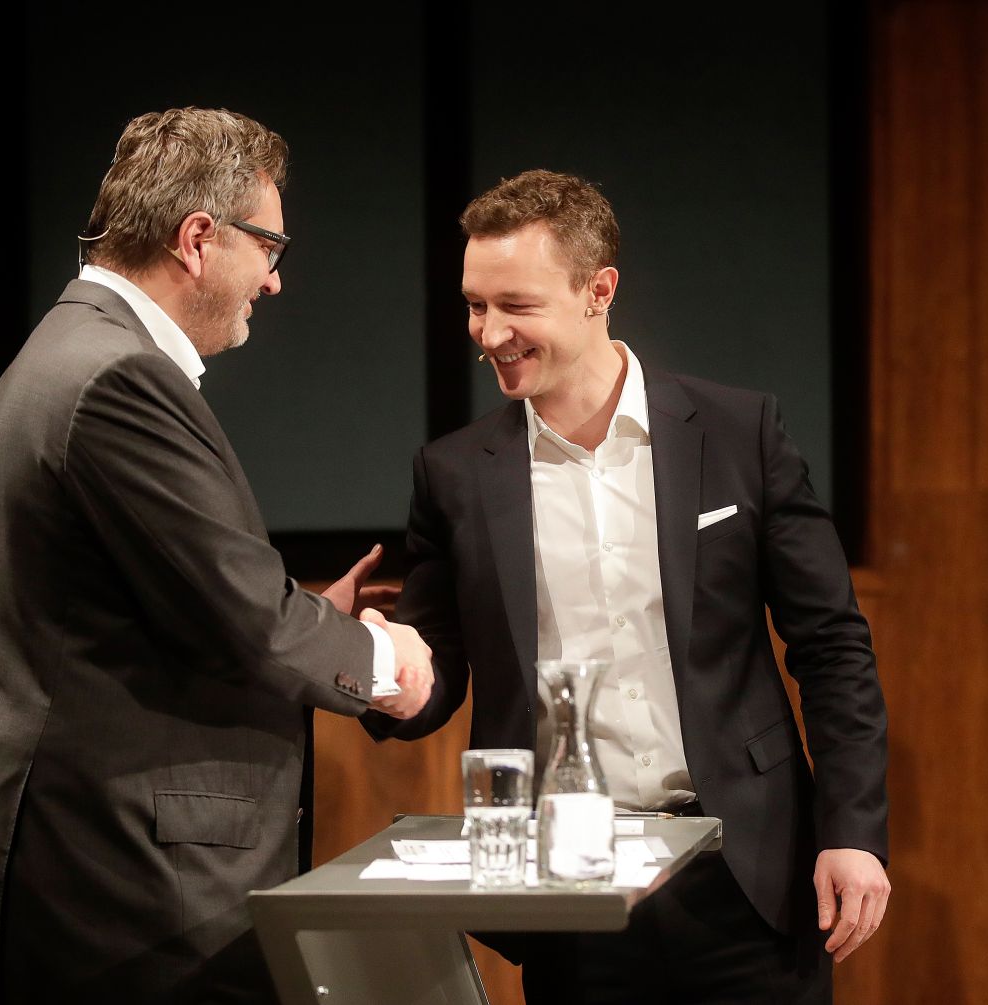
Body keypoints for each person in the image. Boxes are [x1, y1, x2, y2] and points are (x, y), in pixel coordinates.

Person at [0, 107, 433, 1004]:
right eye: (271, 249)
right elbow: (248, 617)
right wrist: (383, 660)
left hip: (69, 861)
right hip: (100, 875)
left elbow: (157, 596)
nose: (273, 281)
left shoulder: (68, 350)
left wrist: (308, 618)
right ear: (198, 238)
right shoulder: (119, 378)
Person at [367, 169, 889, 1002]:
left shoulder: (737, 431)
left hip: (746, 871)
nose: (488, 331)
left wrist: (853, 831)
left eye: (516, 305)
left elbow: (831, 646)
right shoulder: (454, 474)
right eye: (475, 305)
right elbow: (432, 680)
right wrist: (380, 668)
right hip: (570, 888)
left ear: (597, 290)